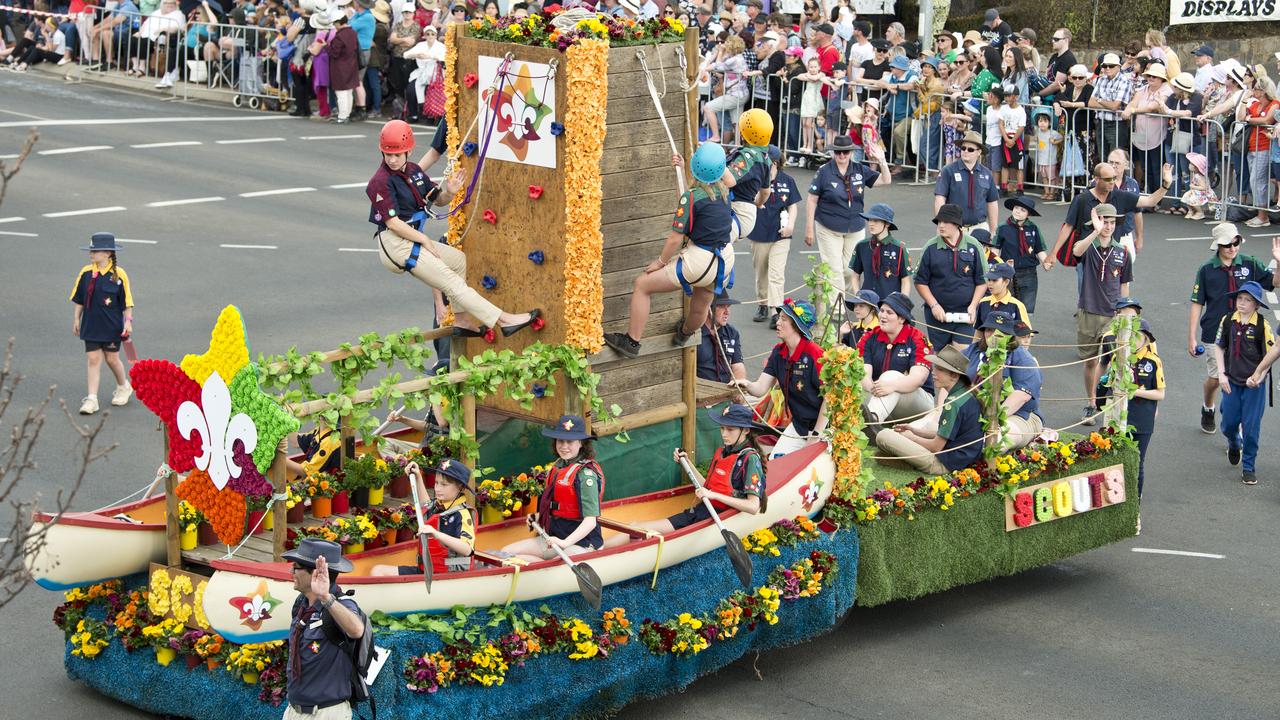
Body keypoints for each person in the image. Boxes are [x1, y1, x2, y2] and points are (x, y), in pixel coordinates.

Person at [370, 120, 542, 341]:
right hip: (395, 245)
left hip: (410, 240)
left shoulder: (414, 172)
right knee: (450, 281)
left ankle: (462, 320)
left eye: (397, 155)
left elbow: (438, 200)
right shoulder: (380, 182)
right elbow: (393, 223)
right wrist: (424, 239)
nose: (392, 160)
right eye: (387, 155)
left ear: (409, 151)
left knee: (458, 260)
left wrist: (450, 192)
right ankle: (505, 320)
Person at [604, 143, 733, 360]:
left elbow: (675, 238)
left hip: (699, 260)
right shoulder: (725, 190)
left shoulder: (691, 197)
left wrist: (661, 262)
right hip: (724, 259)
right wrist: (681, 171)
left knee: (642, 285)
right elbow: (690, 199)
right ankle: (684, 334)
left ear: (697, 168)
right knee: (701, 305)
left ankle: (631, 341)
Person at [603, 404, 764, 547]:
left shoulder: (750, 460)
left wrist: (712, 495)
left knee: (638, 528)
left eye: (730, 429)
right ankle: (598, 549)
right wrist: (687, 463)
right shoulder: (724, 452)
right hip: (701, 512)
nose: (724, 434)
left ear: (746, 430)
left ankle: (597, 551)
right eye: (722, 428)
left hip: (715, 517)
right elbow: (706, 487)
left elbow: (753, 506)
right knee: (635, 527)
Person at [1188, 223, 1280, 434]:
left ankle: (1235, 428)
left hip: (1246, 334)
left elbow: (1275, 283)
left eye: (1236, 242)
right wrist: (1191, 337)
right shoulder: (1206, 270)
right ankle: (1208, 406)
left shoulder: (1250, 263)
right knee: (1216, 379)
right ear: (1218, 245)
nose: (1232, 248)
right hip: (1215, 332)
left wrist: (1279, 263)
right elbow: (1196, 303)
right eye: (1227, 244)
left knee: (1238, 378)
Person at [281, 539, 366, 720]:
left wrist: (325, 597)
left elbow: (357, 630)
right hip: (294, 711)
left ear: (315, 574)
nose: (291, 572)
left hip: (326, 714)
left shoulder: (340, 605)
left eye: (295, 567)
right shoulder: (301, 605)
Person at [730, 299, 826, 458]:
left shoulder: (814, 353)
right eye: (779, 318)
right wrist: (745, 383)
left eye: (783, 319)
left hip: (823, 428)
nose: (778, 323)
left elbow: (830, 398)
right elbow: (760, 388)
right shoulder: (778, 353)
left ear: (796, 325)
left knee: (812, 473)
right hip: (798, 426)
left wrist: (816, 436)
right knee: (776, 462)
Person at [502, 415, 605, 560]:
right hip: (555, 537)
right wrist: (539, 517)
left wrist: (565, 543)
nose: (564, 446)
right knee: (506, 552)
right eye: (560, 440)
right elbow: (559, 507)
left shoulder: (586, 475)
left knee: (547, 564)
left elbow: (590, 521)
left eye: (569, 441)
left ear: (581, 443)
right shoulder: (559, 465)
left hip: (582, 543)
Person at [804, 133, 891, 304]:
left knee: (850, 270)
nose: (842, 156)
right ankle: (837, 310)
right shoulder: (824, 172)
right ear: (833, 153)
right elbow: (812, 199)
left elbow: (886, 180)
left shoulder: (859, 170)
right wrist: (809, 229)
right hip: (828, 227)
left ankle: (838, 296)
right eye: (838, 152)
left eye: (845, 152)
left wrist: (882, 161)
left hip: (855, 227)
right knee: (834, 269)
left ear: (851, 153)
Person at [875, 345, 984, 474]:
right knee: (924, 430)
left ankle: (907, 460)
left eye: (939, 369)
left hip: (944, 464)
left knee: (883, 435)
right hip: (960, 459)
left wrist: (911, 438)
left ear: (954, 375)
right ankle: (905, 458)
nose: (933, 372)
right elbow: (950, 436)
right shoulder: (965, 394)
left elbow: (936, 447)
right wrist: (914, 431)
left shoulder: (953, 403)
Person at [1047, 162, 1172, 269]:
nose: (1112, 182)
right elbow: (1068, 226)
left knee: (1115, 295)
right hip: (1087, 259)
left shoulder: (1121, 196)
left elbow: (1150, 201)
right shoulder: (1081, 199)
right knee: (1087, 297)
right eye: (1107, 179)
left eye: (1114, 178)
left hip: (1111, 259)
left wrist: (1166, 185)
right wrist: (1053, 253)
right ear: (1096, 179)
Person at [1072, 203, 1132, 425]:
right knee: (1089, 361)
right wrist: (1095, 232)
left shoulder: (1122, 251)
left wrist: (1125, 313)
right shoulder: (1090, 247)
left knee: (1107, 358)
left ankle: (1103, 401)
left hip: (1112, 315)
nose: (1108, 226)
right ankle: (1090, 402)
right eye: (1104, 222)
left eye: (1112, 222)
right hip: (1088, 311)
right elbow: (1075, 251)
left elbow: (1124, 285)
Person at [1213, 282, 1274, 485]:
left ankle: (1249, 466)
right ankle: (1233, 441)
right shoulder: (1228, 320)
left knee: (1251, 427)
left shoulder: (1262, 326)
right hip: (1232, 380)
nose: (1242, 303)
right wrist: (1221, 374)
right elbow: (1219, 347)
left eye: (1247, 300)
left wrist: (1259, 377)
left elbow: (1271, 356)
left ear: (1256, 304)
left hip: (1253, 386)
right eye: (1240, 298)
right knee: (1228, 423)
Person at [371, 460, 474, 575]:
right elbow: (425, 504)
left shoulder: (463, 514)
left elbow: (467, 549)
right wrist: (418, 476)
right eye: (436, 483)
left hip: (447, 575)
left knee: (378, 572)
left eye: (444, 484)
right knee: (377, 571)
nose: (437, 488)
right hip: (426, 571)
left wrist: (436, 534)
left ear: (460, 487)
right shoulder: (440, 505)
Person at [70, 232, 134, 416]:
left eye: (95, 251)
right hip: (91, 324)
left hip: (112, 326)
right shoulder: (86, 273)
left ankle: (123, 386)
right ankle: (92, 399)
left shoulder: (119, 275)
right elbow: (79, 299)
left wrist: (128, 322)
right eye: (91, 250)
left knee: (112, 359)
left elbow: (127, 302)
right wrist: (76, 318)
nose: (91, 254)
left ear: (107, 253)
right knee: (93, 359)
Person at [856, 291, 933, 437]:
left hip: (916, 403)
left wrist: (891, 385)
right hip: (880, 395)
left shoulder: (917, 338)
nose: (882, 316)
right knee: (850, 380)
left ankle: (871, 423)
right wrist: (875, 388)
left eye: (889, 312)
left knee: (890, 376)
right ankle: (832, 428)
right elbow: (863, 373)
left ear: (902, 318)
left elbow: (918, 379)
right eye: (882, 311)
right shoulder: (870, 336)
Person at [963, 312, 1042, 450]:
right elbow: (951, 378)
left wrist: (992, 422)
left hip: (1019, 416)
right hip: (974, 412)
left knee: (991, 443)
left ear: (1010, 335)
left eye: (1000, 331)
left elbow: (1022, 395)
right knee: (935, 427)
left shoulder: (1023, 358)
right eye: (989, 329)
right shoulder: (973, 351)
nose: (993, 334)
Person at [915, 203, 988, 351]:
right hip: (937, 314)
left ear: (957, 224)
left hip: (965, 313)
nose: (941, 225)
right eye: (939, 222)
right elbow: (920, 281)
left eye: (946, 222)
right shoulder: (930, 247)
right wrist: (934, 305)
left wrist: (974, 306)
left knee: (962, 353)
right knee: (940, 355)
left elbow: (982, 281)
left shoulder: (974, 246)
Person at [747, 149, 799, 327]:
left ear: (775, 163)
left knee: (776, 273)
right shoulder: (755, 179)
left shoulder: (787, 181)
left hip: (780, 235)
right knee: (761, 272)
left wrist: (790, 225)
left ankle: (776, 309)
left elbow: (792, 206)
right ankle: (762, 304)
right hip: (759, 233)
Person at [933, 130, 999, 239]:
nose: (965, 151)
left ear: (979, 152)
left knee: (982, 256)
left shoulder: (987, 173)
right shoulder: (948, 170)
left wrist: (993, 231)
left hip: (980, 228)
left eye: (970, 149)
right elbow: (940, 199)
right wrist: (942, 225)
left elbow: (992, 203)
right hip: (954, 228)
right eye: (963, 148)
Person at [1127, 319, 1164, 499]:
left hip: (1143, 417)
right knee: (1121, 459)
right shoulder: (1120, 357)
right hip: (1121, 415)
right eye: (1131, 336)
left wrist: (1138, 393)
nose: (1133, 340)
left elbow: (1160, 394)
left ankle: (1136, 500)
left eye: (1138, 337)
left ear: (1146, 340)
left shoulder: (1153, 362)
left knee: (1138, 461)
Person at [1238, 76, 1280, 227]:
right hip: (1252, 146)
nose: (1253, 91)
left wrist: (1250, 119)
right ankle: (1260, 213)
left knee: (1258, 180)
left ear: (1263, 90)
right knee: (1255, 180)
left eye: (1255, 89)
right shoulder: (1255, 105)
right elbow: (1241, 117)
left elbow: (1267, 120)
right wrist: (1244, 101)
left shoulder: (1274, 104)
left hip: (1265, 147)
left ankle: (1263, 216)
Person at [995, 195, 1049, 312]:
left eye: (1023, 210)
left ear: (1028, 214)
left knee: (1026, 308)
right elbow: (995, 250)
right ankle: (1006, 328)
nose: (1018, 211)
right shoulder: (1003, 227)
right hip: (1008, 273)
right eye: (1016, 208)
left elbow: (1039, 249)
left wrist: (1045, 261)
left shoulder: (1033, 228)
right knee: (1007, 305)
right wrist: (993, 266)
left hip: (1029, 273)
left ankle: (1024, 328)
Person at [849, 202, 912, 300]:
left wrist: (902, 304)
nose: (871, 223)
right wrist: (858, 296)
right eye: (869, 220)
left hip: (889, 305)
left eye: (876, 220)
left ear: (887, 224)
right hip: (867, 303)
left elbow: (905, 281)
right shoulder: (862, 246)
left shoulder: (899, 248)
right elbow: (855, 275)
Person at [697, 292, 747, 384]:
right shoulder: (695, 334)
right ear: (708, 309)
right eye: (721, 307)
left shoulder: (732, 333)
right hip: (701, 391)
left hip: (725, 389)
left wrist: (738, 389)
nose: (727, 312)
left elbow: (738, 366)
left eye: (728, 307)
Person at [974, 261, 1029, 326]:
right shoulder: (983, 302)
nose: (990, 283)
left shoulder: (1017, 305)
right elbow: (979, 331)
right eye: (989, 279)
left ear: (1006, 282)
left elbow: (1025, 335)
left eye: (994, 280)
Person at [1031, 111, 1063, 200]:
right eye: (1040, 121)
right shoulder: (1038, 132)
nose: (1042, 123)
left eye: (1045, 121)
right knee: (1044, 177)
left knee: (1051, 177)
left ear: (1049, 123)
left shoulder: (1052, 132)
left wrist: (1054, 142)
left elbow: (1062, 138)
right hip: (1041, 159)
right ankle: (1047, 191)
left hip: (1050, 160)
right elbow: (1036, 140)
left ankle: (1052, 192)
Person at [1181, 152, 1216, 220]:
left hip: (1204, 193)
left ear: (1197, 167)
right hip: (1197, 191)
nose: (1189, 165)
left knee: (1193, 198)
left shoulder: (1200, 177)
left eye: (1191, 164)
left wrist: (1193, 187)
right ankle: (1191, 210)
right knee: (1186, 195)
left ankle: (1200, 212)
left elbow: (1204, 187)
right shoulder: (1196, 175)